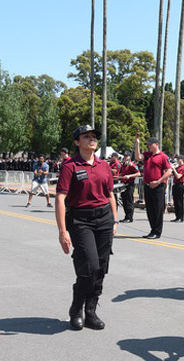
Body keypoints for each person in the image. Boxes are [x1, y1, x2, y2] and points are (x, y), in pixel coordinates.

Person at [55, 125, 118, 330]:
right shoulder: (70, 166)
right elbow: (61, 198)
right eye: (87, 136)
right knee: (89, 267)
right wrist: (63, 231)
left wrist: (115, 220)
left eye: (94, 137)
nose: (92, 139)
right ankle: (76, 308)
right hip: (81, 220)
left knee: (101, 268)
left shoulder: (104, 166)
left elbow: (110, 194)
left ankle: (90, 310)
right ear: (77, 142)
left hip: (104, 220)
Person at [134, 135, 172, 239]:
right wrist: (137, 143)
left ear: (156, 144)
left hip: (158, 186)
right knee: (150, 210)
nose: (149, 146)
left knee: (158, 210)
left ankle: (157, 231)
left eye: (150, 144)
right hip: (147, 185)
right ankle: (152, 230)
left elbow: (169, 171)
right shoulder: (147, 155)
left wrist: (159, 181)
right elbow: (138, 157)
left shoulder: (163, 156)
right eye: (148, 145)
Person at [118, 151, 140, 223]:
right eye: (124, 156)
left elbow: (138, 173)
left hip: (129, 184)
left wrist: (129, 176)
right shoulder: (124, 165)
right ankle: (126, 216)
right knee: (124, 200)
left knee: (129, 201)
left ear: (129, 157)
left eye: (127, 156)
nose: (125, 157)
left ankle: (129, 217)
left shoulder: (131, 164)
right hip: (123, 184)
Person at [170, 154, 184, 223]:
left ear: (182, 159)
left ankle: (181, 217)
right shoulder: (178, 167)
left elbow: (178, 176)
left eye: (178, 159)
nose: (177, 160)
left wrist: (174, 169)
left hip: (180, 185)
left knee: (180, 202)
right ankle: (177, 216)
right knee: (175, 202)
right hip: (175, 185)